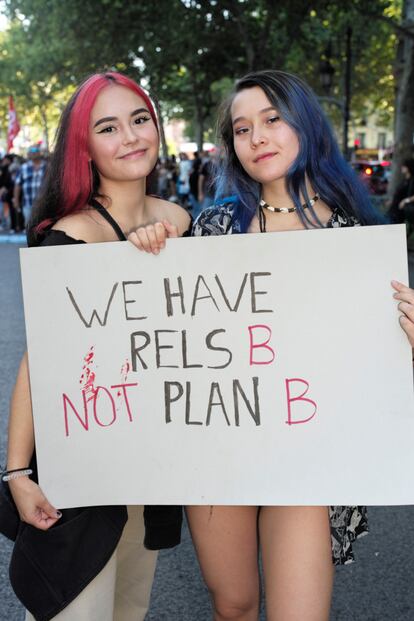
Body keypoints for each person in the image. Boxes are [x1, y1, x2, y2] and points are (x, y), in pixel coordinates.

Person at [181, 70, 414, 621]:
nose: (257, 137)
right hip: (221, 448)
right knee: (233, 605)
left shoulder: (357, 242)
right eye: (242, 129)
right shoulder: (209, 231)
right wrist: (149, 248)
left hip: (310, 455)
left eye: (272, 119)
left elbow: (379, 371)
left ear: (306, 125)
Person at [4, 71, 190, 621]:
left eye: (139, 120)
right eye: (108, 127)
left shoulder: (182, 224)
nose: (130, 137)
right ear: (84, 147)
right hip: (81, 471)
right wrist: (17, 473)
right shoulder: (68, 235)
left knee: (130, 609)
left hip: (152, 467)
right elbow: (40, 360)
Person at [13, 145, 47, 228]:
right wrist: (16, 200)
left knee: (43, 227)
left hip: (44, 204)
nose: (34, 153)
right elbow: (17, 185)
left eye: (36, 151)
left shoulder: (47, 167)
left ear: (40, 153)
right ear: (28, 154)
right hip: (28, 203)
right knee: (29, 226)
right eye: (31, 152)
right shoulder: (23, 168)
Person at [386, 158, 414, 228]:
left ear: (408, 167)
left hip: (400, 210)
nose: (402, 168)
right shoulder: (405, 179)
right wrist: (392, 201)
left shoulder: (412, 180)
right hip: (394, 209)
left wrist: (405, 201)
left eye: (404, 166)